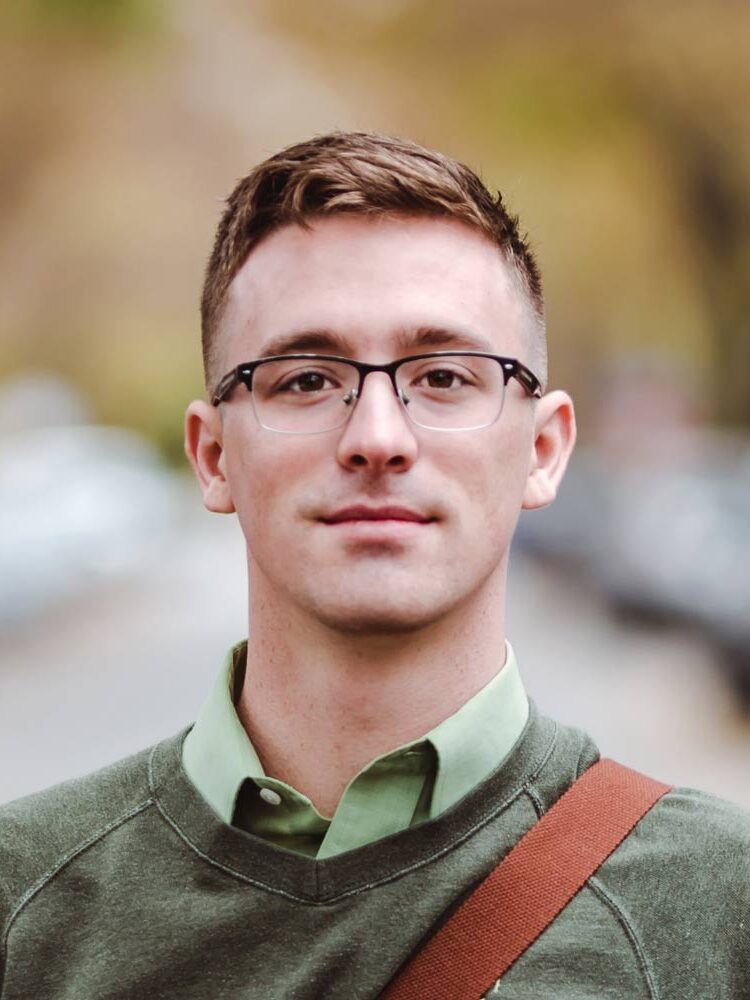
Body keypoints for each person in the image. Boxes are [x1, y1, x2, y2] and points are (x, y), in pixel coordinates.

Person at [0, 132, 747, 1000]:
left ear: (543, 449)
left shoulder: (718, 908)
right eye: (306, 380)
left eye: (445, 377)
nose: (378, 438)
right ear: (212, 457)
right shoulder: (24, 902)